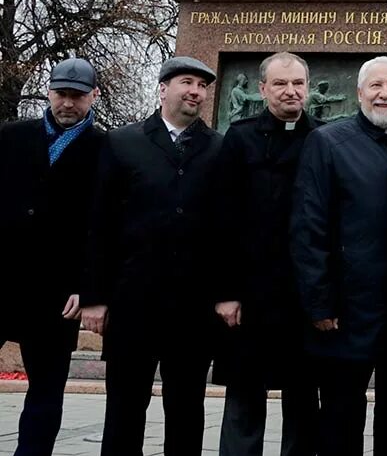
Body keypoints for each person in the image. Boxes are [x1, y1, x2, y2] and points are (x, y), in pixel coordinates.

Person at [80, 57, 225, 456]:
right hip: (133, 301)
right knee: (125, 407)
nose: (195, 91)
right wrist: (94, 295)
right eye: (186, 82)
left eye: (201, 85)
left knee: (186, 409)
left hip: (192, 307)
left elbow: (226, 228)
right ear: (163, 89)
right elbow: (99, 224)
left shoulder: (218, 148)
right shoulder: (123, 142)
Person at [290, 56, 387, 456]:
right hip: (346, 310)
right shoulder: (328, 142)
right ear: (359, 93)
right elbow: (308, 226)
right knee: (340, 417)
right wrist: (319, 302)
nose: (384, 94)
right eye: (375, 86)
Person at [214, 53, 321, 456]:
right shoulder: (239, 138)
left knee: (303, 401)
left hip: (303, 294)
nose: (290, 91)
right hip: (252, 292)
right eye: (280, 84)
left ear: (308, 87)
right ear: (262, 89)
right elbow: (222, 219)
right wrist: (226, 291)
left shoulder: (325, 137)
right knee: (244, 398)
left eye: (297, 83)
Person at [0, 58, 104, 456]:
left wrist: (86, 285)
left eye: (77, 96)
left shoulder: (103, 148)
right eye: (61, 94)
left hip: (57, 294)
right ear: (49, 92)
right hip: (5, 280)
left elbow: (103, 225)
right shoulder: (12, 136)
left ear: (93, 96)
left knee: (46, 391)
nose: (67, 103)